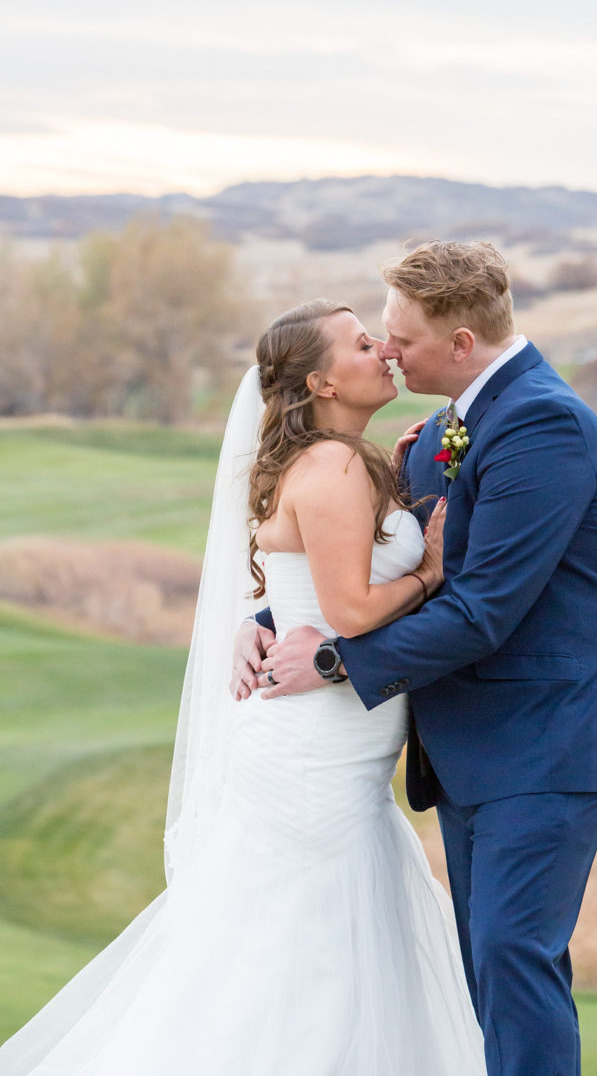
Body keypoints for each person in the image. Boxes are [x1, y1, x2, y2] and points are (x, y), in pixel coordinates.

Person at [0, 300, 486, 1075]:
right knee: (305, 959)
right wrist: (429, 571)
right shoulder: (328, 467)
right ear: (323, 380)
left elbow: (309, 587)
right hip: (313, 752)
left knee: (318, 950)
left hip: (340, 753)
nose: (384, 351)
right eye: (364, 344)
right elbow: (350, 610)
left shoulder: (348, 459)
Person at [238, 242, 597, 1076]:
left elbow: (483, 609)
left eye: (399, 335)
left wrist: (331, 663)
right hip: (469, 747)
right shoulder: (437, 433)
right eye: (377, 337)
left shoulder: (545, 425)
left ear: (461, 344)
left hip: (550, 735)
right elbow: (370, 567)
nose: (388, 350)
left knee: (510, 955)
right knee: (486, 969)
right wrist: (268, 617)